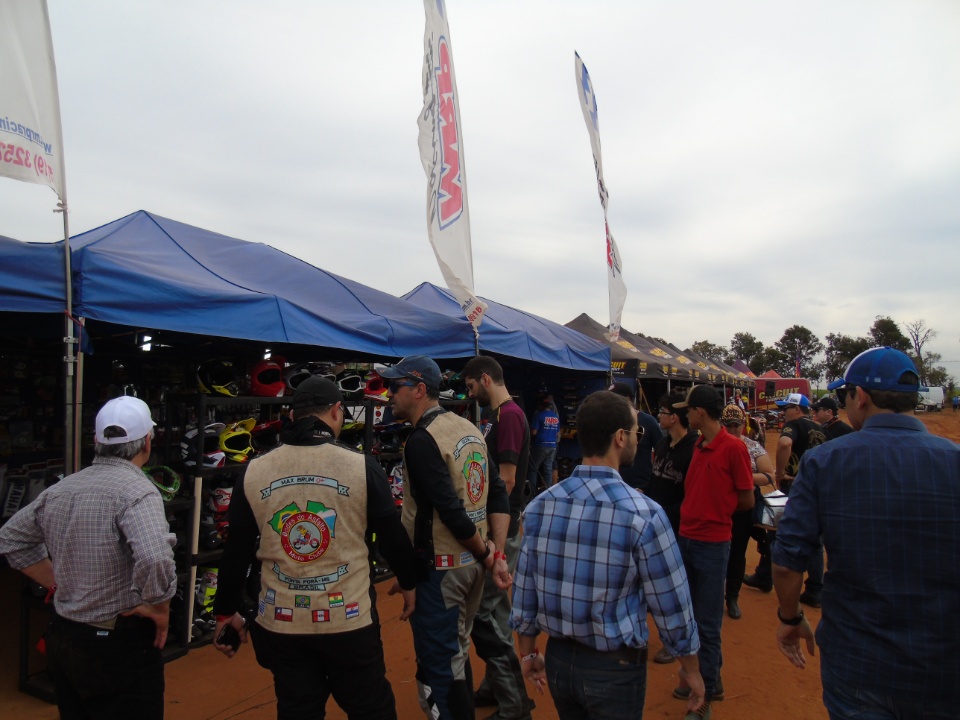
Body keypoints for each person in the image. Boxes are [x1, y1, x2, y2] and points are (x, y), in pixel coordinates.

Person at [211, 376, 418, 719]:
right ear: (337, 411)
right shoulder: (362, 465)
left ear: (293, 416)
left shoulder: (254, 470)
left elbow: (236, 551)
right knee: (371, 708)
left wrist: (224, 611)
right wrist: (409, 581)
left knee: (298, 709)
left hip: (281, 624)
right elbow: (392, 535)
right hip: (348, 620)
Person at [772, 347, 960, 719]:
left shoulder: (825, 461)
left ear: (860, 396)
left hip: (858, 664)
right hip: (943, 667)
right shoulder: (953, 461)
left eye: (845, 395)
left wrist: (790, 618)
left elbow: (787, 560)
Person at [510, 390, 705, 720]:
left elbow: (525, 587)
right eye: (635, 433)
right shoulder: (644, 514)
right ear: (620, 437)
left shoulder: (540, 507)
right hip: (614, 669)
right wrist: (691, 668)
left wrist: (528, 653)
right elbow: (671, 602)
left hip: (558, 663)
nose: (637, 440)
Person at [0, 396, 176, 720]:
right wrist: (159, 606)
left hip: (64, 638)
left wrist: (58, 580)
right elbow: (155, 557)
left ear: (97, 441)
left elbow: (10, 538)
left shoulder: (62, 488)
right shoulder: (138, 491)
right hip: (116, 645)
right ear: (147, 442)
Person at [378, 355, 512, 720]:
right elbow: (498, 494)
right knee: (456, 653)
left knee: (439, 668)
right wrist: (495, 554)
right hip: (470, 571)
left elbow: (450, 513)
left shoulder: (423, 440)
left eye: (395, 386)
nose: (389, 394)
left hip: (443, 571)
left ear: (420, 390)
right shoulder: (468, 428)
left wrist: (489, 554)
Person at [672, 384, 754, 719]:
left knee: (706, 621)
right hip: (688, 538)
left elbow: (747, 498)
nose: (685, 414)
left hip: (712, 543)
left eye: (688, 410)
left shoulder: (732, 448)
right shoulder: (699, 445)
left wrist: (716, 510)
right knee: (689, 616)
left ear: (700, 413)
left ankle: (707, 691)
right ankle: (701, 680)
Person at [461, 355, 536, 720]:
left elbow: (505, 480)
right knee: (499, 612)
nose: (469, 392)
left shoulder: (508, 417)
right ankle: (497, 686)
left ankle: (514, 701)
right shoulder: (500, 416)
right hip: (500, 525)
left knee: (483, 614)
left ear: (485, 379)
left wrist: (492, 535)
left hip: (499, 528)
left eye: (471, 385)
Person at [744, 392, 825, 604]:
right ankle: (815, 589)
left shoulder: (794, 425)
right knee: (815, 540)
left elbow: (784, 444)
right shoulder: (820, 428)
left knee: (775, 531)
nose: (783, 412)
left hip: (794, 486)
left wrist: (779, 474)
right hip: (816, 487)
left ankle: (765, 576)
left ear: (797, 410)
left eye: (786, 408)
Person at [647, 390, 698, 665]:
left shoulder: (694, 448)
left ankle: (676, 643)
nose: (659, 417)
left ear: (674, 417)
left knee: (676, 590)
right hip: (658, 524)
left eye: (662, 413)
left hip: (679, 528)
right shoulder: (665, 444)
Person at [720, 404, 776, 621]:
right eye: (728, 425)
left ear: (743, 425)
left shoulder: (753, 447)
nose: (733, 429)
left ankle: (732, 596)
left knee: (737, 552)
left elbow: (769, 474)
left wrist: (743, 478)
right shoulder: (716, 445)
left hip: (743, 507)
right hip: (720, 506)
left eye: (736, 425)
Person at [609, 382, 664, 491]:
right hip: (615, 486)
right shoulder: (610, 422)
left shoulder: (648, 422)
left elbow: (662, 452)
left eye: (613, 399)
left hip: (640, 488)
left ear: (627, 399)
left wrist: (649, 486)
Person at [526, 394, 559, 496]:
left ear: (540, 405)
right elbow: (557, 433)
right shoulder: (555, 417)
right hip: (552, 446)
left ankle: (531, 494)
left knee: (533, 469)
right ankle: (548, 492)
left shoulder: (539, 416)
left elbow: (534, 432)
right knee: (548, 469)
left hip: (540, 445)